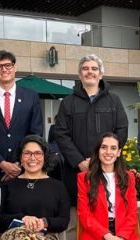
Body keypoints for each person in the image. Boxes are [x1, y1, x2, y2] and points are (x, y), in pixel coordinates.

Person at [54, 54, 129, 203]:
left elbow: (122, 130)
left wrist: (105, 158)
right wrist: (79, 162)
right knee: (79, 212)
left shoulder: (114, 100)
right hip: (76, 171)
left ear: (101, 74)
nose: (90, 72)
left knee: (109, 209)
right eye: (85, 68)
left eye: (94, 69)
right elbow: (61, 134)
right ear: (79, 74)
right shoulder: (67, 103)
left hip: (109, 169)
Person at [0, 50, 43, 181]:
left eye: (8, 65)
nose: (4, 69)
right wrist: (1, 163)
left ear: (15, 68)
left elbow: (36, 133)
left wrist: (19, 163)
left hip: (24, 170)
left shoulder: (31, 97)